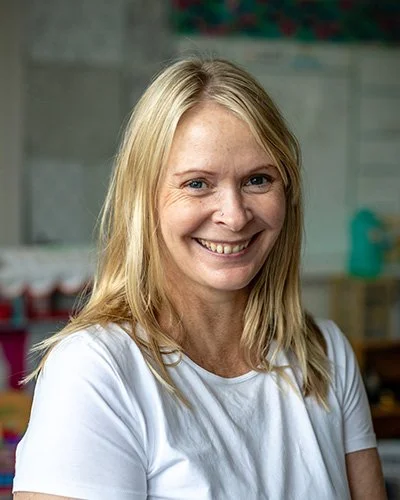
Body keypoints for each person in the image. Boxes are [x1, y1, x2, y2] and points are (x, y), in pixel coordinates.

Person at [13, 57, 386, 500]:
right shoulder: (97, 370)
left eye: (258, 179)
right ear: (144, 199)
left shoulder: (325, 354)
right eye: (197, 184)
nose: (234, 214)